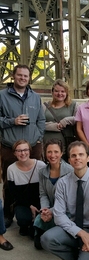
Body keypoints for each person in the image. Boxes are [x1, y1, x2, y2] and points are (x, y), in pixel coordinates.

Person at [0, 64, 45, 228]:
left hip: (33, 145)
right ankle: (8, 214)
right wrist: (12, 121)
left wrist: (39, 136)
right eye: (20, 75)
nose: (23, 78)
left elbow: (41, 119)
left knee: (38, 179)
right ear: (13, 76)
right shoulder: (2, 96)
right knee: (9, 181)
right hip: (10, 147)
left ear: (29, 78)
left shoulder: (35, 96)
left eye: (26, 76)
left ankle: (35, 209)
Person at [33, 138, 73, 250]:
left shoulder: (70, 171)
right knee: (38, 245)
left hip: (66, 211)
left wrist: (51, 211)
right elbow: (43, 194)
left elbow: (69, 200)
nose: (52, 155)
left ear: (61, 153)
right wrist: (45, 209)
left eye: (56, 152)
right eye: (49, 152)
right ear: (45, 153)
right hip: (49, 209)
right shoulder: (42, 172)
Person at [7, 140, 46, 237]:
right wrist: (29, 206)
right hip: (23, 203)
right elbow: (14, 194)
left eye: (25, 150)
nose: (23, 153)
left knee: (36, 231)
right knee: (23, 218)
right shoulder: (11, 169)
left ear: (30, 151)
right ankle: (24, 225)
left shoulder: (41, 166)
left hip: (40, 201)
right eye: (19, 151)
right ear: (15, 153)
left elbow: (46, 189)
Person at [43, 79, 78, 160]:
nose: (60, 94)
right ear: (52, 92)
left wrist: (66, 120)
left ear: (67, 93)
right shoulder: (45, 106)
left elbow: (79, 120)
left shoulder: (73, 105)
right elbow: (39, 123)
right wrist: (55, 126)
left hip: (66, 146)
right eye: (56, 91)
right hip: (47, 147)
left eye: (63, 91)